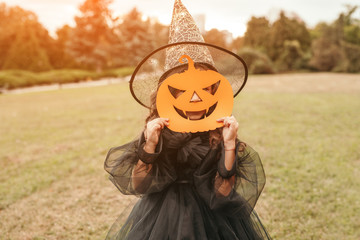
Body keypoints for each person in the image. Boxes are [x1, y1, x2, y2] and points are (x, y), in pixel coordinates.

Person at [104, 1, 271, 239]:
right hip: (163, 215)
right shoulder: (157, 131)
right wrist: (150, 145)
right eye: (183, 90)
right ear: (169, 93)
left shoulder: (221, 131)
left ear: (215, 90)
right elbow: (139, 185)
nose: (194, 97)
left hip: (213, 217)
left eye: (204, 88)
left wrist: (229, 144)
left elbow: (223, 193)